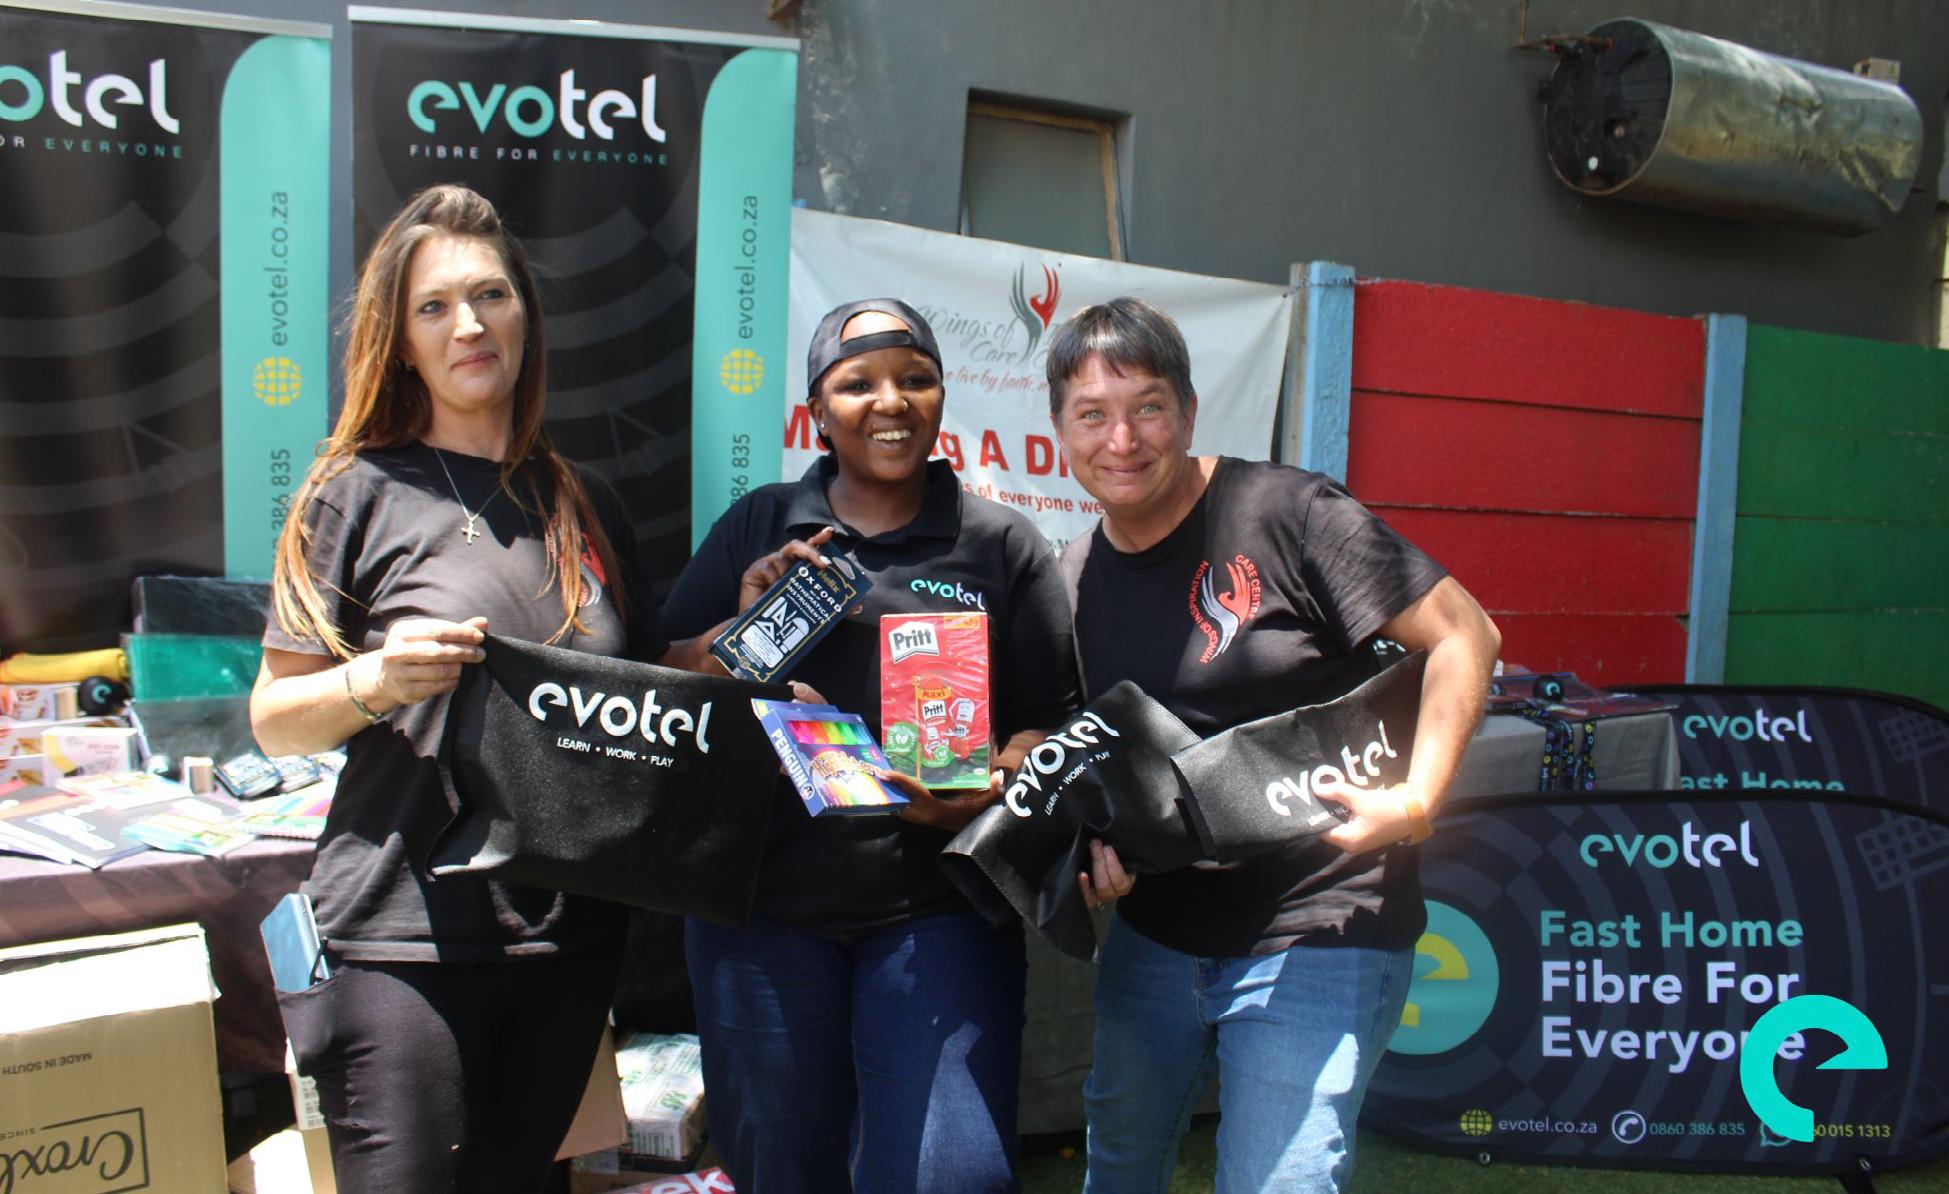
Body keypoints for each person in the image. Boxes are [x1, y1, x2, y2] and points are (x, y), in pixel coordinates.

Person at [251, 183, 724, 1192]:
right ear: (401, 342)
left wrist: (730, 645)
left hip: (566, 937)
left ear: (526, 317)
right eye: (434, 306)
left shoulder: (582, 500)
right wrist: (376, 679)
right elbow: (275, 720)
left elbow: (630, 685)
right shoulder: (354, 493)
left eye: (490, 296)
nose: (468, 325)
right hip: (403, 937)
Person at [1047, 297, 1501, 1193]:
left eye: (1146, 407)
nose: (1122, 440)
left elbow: (1465, 635)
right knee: (1121, 1171)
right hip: (1158, 935)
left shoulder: (1287, 512)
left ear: (1187, 412)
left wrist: (1417, 798)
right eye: (1091, 415)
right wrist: (1092, 849)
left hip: (1319, 921)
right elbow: (1093, 760)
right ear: (1060, 431)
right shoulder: (1072, 580)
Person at [660, 298, 1082, 1193]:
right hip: (759, 916)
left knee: (950, 1176)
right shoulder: (760, 524)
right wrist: (740, 630)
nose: (890, 402)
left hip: (940, 910)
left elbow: (1052, 723)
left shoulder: (1000, 543)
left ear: (940, 397)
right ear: (817, 409)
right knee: (782, 1170)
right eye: (858, 384)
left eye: (914, 379)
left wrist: (988, 789)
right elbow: (662, 678)